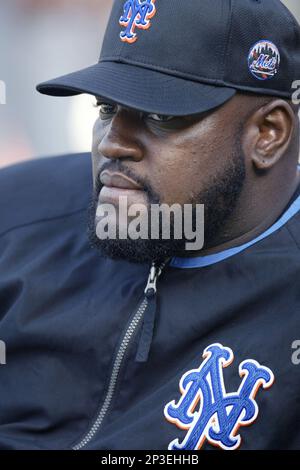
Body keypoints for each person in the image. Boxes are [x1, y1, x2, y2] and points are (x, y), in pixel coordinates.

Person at [0, 0, 300, 450]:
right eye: (106, 108)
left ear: (268, 134)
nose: (113, 143)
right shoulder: (18, 209)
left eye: (161, 117)